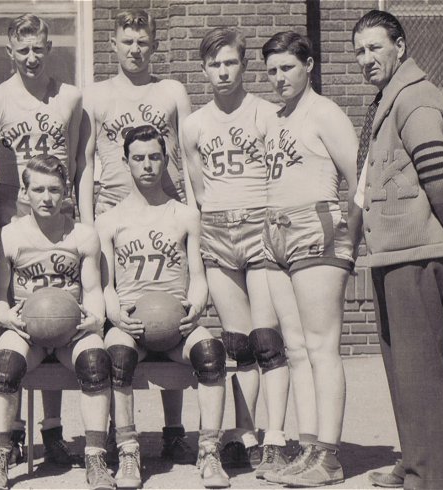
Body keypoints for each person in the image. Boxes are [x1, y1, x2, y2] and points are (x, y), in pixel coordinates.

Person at [351, 10, 443, 490]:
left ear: (400, 46)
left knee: (421, 373)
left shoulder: (415, 97)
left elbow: (442, 177)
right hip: (392, 253)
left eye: (375, 47)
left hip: (415, 254)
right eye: (359, 51)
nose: (365, 59)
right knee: (402, 368)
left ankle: (438, 477)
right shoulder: (390, 99)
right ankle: (416, 462)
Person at [80, 8, 195, 464]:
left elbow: (187, 158)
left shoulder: (171, 91)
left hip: (164, 214)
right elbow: (85, 163)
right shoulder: (97, 95)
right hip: (113, 214)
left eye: (143, 41)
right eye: (127, 41)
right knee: (117, 322)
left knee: (169, 310)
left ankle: (173, 429)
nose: (135, 49)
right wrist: (88, 223)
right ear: (114, 44)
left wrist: (191, 213)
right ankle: (113, 429)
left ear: (154, 44)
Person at [182, 27, 291, 474]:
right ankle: (245, 435)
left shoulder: (267, 114)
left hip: (260, 225)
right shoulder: (194, 124)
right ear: (204, 69)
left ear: (243, 65)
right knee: (239, 344)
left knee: (267, 341)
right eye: (214, 64)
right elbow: (199, 187)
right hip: (218, 230)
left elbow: (280, 176)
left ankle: (278, 436)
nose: (222, 71)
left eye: (230, 62)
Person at [0, 13, 82, 466]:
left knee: (56, 312)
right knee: (17, 321)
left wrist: (84, 218)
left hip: (59, 217)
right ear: (10, 53)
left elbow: (78, 163)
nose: (32, 58)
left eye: (39, 49)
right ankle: (13, 431)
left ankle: (53, 431)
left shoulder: (71, 98)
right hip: (12, 220)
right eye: (23, 50)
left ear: (49, 48)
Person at [97, 125, 229, 489]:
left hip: (176, 326)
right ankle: (127, 450)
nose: (147, 165)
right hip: (131, 325)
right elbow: (105, 285)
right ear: (125, 162)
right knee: (117, 358)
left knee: (211, 352)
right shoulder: (108, 220)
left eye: (155, 157)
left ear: (165, 160)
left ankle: (209, 449)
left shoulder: (185, 215)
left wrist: (197, 305)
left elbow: (198, 276)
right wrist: (116, 316)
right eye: (138, 158)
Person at [259, 32, 359, 487]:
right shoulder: (278, 117)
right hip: (276, 230)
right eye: (273, 70)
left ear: (310, 65)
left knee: (321, 347)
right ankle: (306, 447)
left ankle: (330, 455)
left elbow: (361, 182)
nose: (279, 78)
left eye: (287, 68)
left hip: (316, 227)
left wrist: (350, 240)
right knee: (295, 348)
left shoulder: (326, 113)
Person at [0, 155, 115, 490]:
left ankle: (95, 457)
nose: (46, 197)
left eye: (54, 190)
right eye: (38, 189)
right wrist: (6, 316)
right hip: (28, 331)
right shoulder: (10, 236)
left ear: (66, 191)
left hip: (70, 330)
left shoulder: (83, 236)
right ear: (24, 192)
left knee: (96, 362)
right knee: (5, 364)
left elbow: (94, 290)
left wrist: (95, 319)